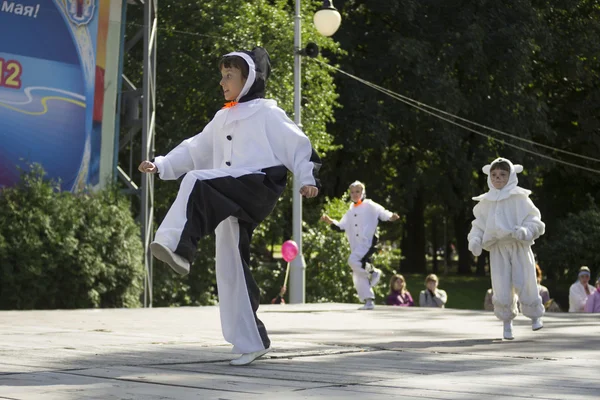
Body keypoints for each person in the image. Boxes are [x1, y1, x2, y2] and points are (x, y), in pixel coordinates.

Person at [138, 47, 321, 366]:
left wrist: (308, 178)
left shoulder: (267, 112)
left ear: (248, 79)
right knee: (230, 262)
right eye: (221, 76)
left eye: (229, 76)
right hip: (227, 192)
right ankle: (251, 340)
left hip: (257, 184)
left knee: (196, 180)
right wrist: (162, 164)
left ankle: (179, 248)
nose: (222, 82)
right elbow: (196, 147)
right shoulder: (222, 117)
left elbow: (299, 146)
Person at [467, 158, 545, 340]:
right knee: (501, 285)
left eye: (503, 175)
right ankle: (507, 322)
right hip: (498, 249)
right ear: (489, 176)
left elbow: (535, 220)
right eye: (494, 175)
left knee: (525, 280)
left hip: (518, 245)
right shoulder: (485, 203)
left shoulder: (520, 198)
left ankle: (535, 315)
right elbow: (478, 225)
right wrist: (475, 239)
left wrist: (526, 231)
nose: (498, 178)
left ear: (511, 176)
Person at [321, 181, 400, 310]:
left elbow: (382, 212)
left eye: (357, 191)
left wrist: (391, 216)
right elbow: (341, 226)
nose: (355, 194)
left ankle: (373, 271)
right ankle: (369, 300)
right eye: (352, 192)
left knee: (353, 260)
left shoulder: (370, 205)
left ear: (363, 192)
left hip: (368, 242)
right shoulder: (351, 210)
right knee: (357, 274)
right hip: (356, 246)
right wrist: (330, 221)